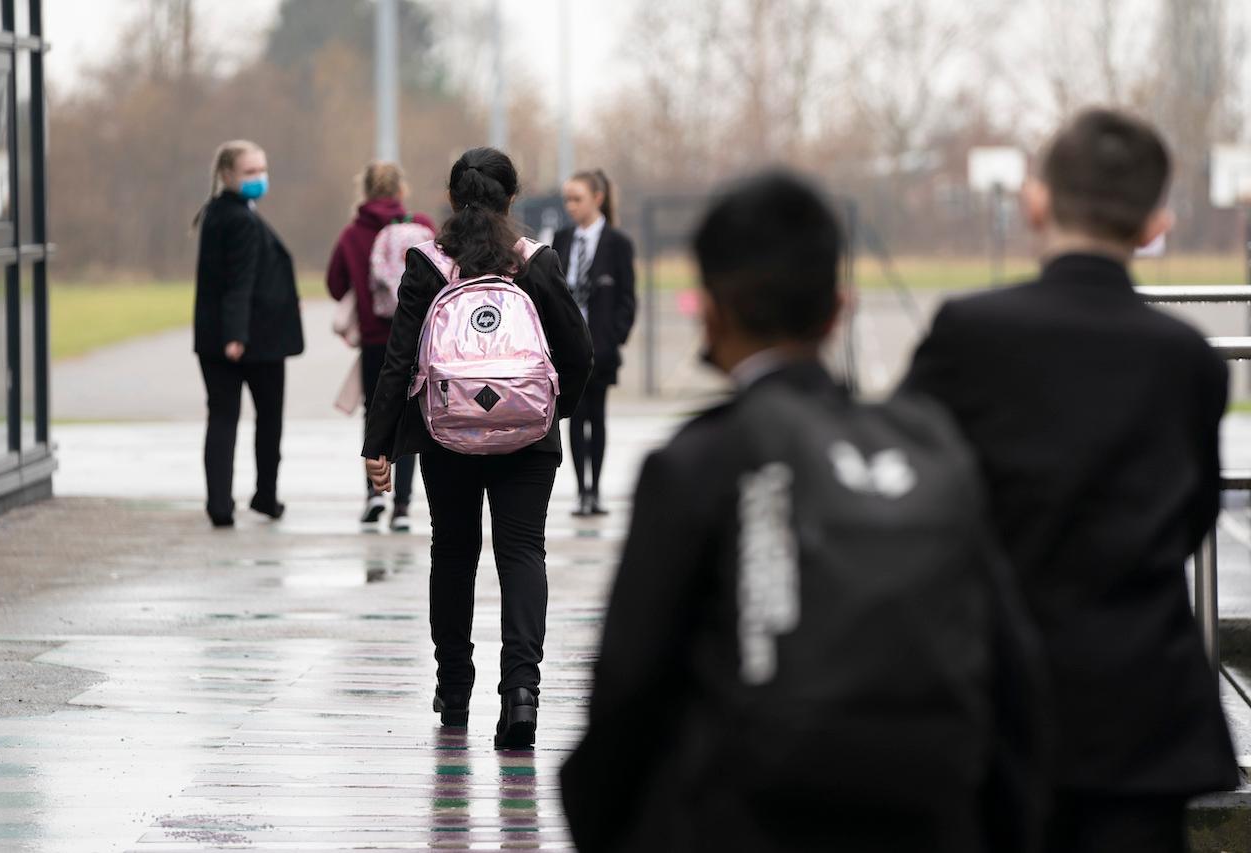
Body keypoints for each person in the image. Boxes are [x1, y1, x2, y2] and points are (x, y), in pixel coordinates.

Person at [561, 171, 1045, 853]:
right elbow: (1016, 691)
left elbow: (625, 698)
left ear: (712, 313)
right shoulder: (933, 449)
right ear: (838, 308)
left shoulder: (697, 464)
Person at [903, 108, 1239, 853]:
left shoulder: (969, 332)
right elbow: (1190, 520)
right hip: (1145, 716)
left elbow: (911, 498)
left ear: (1035, 201)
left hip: (998, 699)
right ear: (1155, 223)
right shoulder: (1188, 361)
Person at [362, 147, 592, 749]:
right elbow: (580, 353)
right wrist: (547, 412)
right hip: (529, 439)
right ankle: (520, 695)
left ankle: (455, 689)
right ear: (512, 198)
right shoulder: (536, 262)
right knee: (522, 556)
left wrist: (378, 444)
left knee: (454, 555)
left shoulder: (429, 263)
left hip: (447, 435)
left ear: (452, 196)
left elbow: (398, 362)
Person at [192, 139, 304, 528]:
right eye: (250, 172)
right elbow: (238, 282)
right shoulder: (240, 218)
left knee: (222, 417)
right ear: (227, 175)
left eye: (261, 170)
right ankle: (265, 496)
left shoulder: (219, 212)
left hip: (220, 336)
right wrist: (236, 335)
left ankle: (220, 503)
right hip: (252, 341)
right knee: (266, 419)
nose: (259, 178)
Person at [327, 161, 436, 530]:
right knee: (409, 416)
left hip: (375, 340)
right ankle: (402, 507)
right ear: (401, 190)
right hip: (416, 337)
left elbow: (334, 283)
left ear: (366, 191)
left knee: (374, 415)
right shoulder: (420, 225)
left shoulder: (352, 233)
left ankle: (374, 493)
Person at [552, 170, 636, 516]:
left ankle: (596, 490)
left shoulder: (617, 243)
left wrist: (613, 337)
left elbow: (627, 298)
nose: (571, 207)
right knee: (575, 415)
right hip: (570, 346)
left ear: (597, 199)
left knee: (596, 416)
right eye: (568, 200)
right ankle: (581, 490)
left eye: (578, 199)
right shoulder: (561, 238)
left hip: (600, 346)